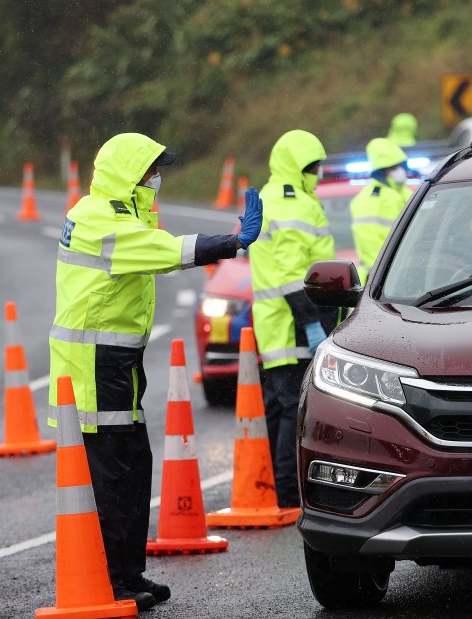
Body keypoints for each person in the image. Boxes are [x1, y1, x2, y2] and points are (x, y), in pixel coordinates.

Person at [48, 132, 262, 611]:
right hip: (94, 366)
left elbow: (152, 246)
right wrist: (230, 242)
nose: (155, 179)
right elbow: (164, 250)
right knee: (111, 473)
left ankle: (128, 572)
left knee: (133, 464)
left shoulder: (117, 213)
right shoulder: (99, 220)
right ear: (128, 176)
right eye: (149, 171)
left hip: (115, 362)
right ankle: (111, 579)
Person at [249, 129, 338, 508]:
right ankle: (287, 492)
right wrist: (311, 321)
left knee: (278, 406)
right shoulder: (291, 203)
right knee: (292, 408)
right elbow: (291, 271)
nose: (317, 173)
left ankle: (276, 485)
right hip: (292, 323)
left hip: (275, 323)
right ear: (298, 168)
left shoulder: (277, 197)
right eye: (313, 167)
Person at [349, 137, 414, 281]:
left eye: (400, 166)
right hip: (382, 277)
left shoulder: (407, 193)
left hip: (405, 272)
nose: (399, 171)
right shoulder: (368, 200)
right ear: (381, 171)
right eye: (393, 167)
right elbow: (372, 245)